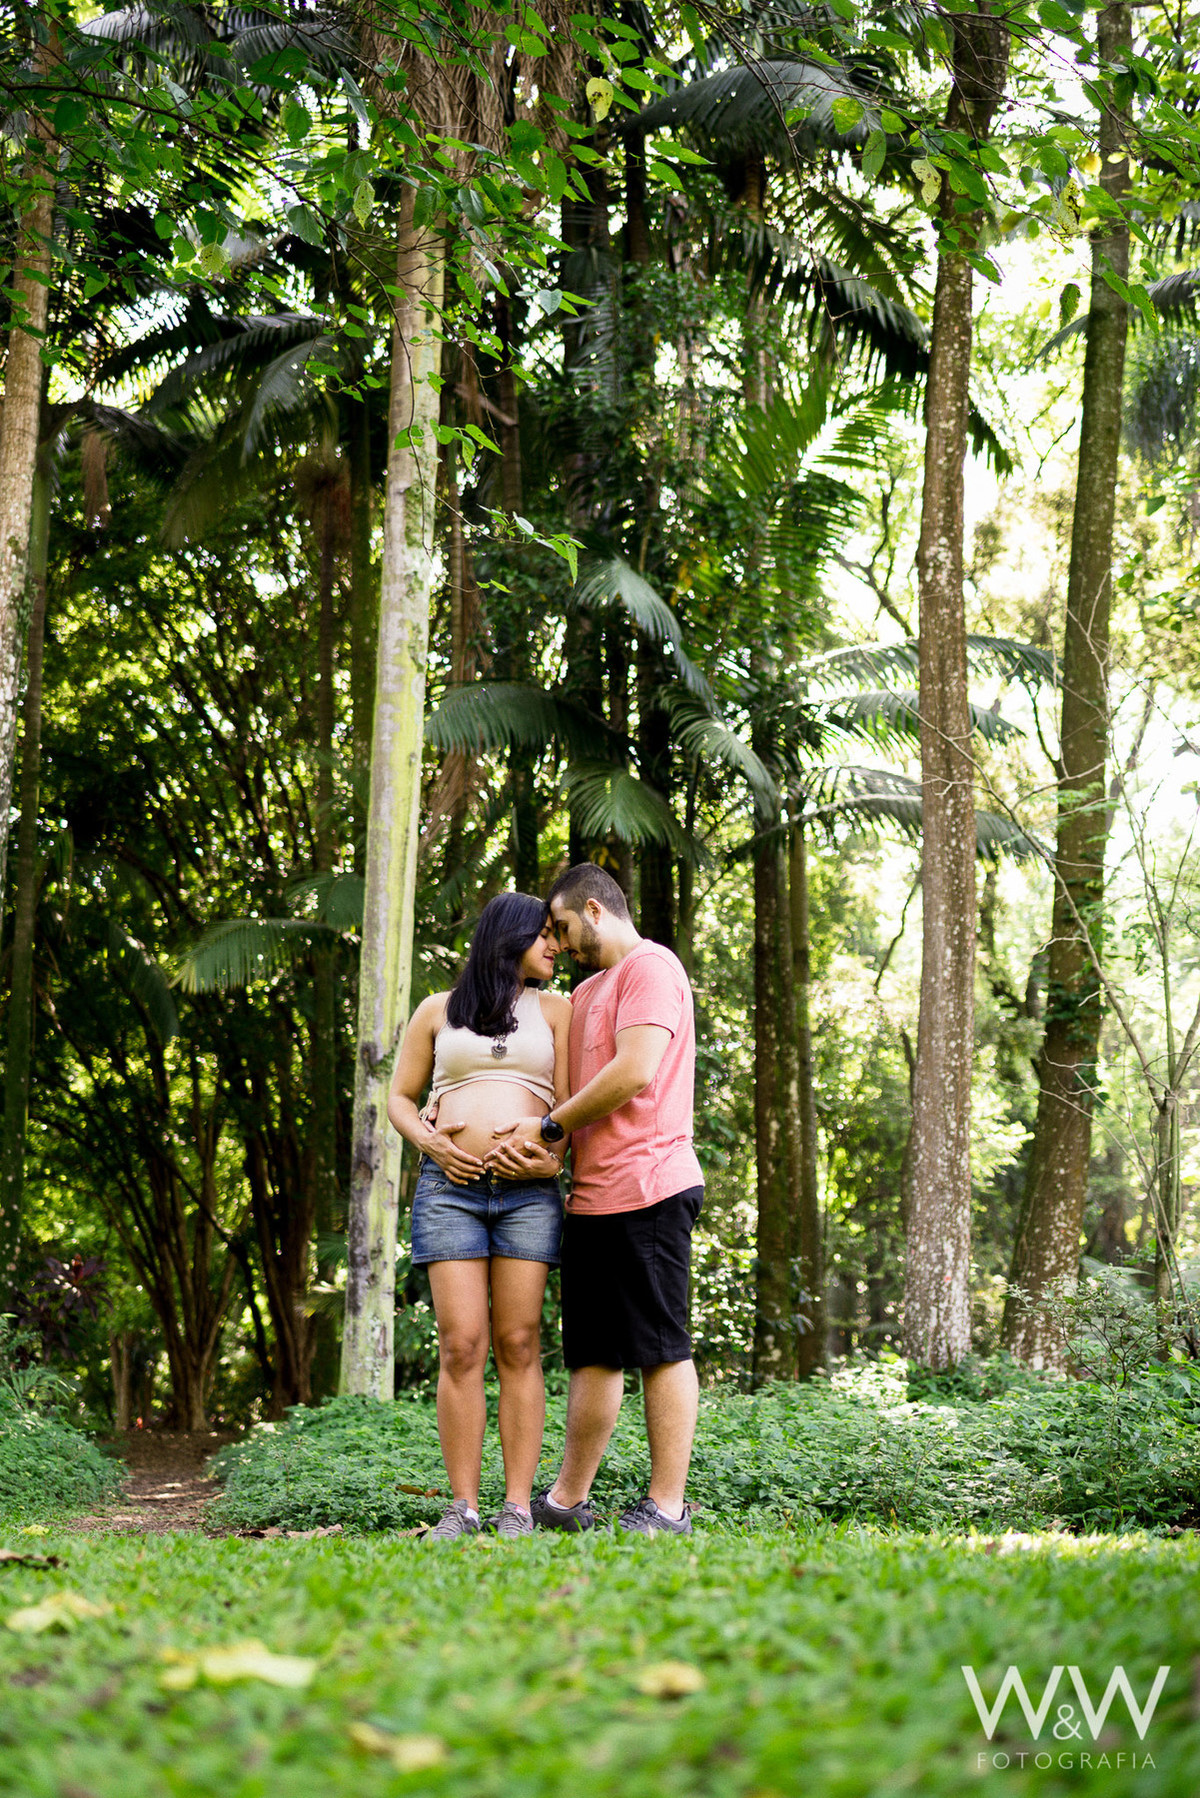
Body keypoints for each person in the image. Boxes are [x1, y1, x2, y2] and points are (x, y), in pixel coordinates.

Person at [491, 862, 704, 1536]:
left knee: (661, 1348)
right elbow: (563, 1098)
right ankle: (564, 1500)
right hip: (590, 1197)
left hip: (651, 1184)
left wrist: (552, 1127)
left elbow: (635, 1071)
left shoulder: (651, 968)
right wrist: (538, 1146)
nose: (558, 943)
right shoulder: (584, 994)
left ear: (594, 909)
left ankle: (666, 1508)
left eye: (561, 927)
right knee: (593, 1354)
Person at [387, 892, 571, 1542]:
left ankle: (517, 1506)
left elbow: (571, 1108)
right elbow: (401, 1100)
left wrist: (550, 1164)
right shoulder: (439, 1010)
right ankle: (462, 1509)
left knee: (519, 1344)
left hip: (526, 1197)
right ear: (508, 937)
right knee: (462, 1345)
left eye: (557, 935)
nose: (555, 946)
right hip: (450, 1190)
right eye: (544, 935)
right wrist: (434, 1143)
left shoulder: (557, 1009)